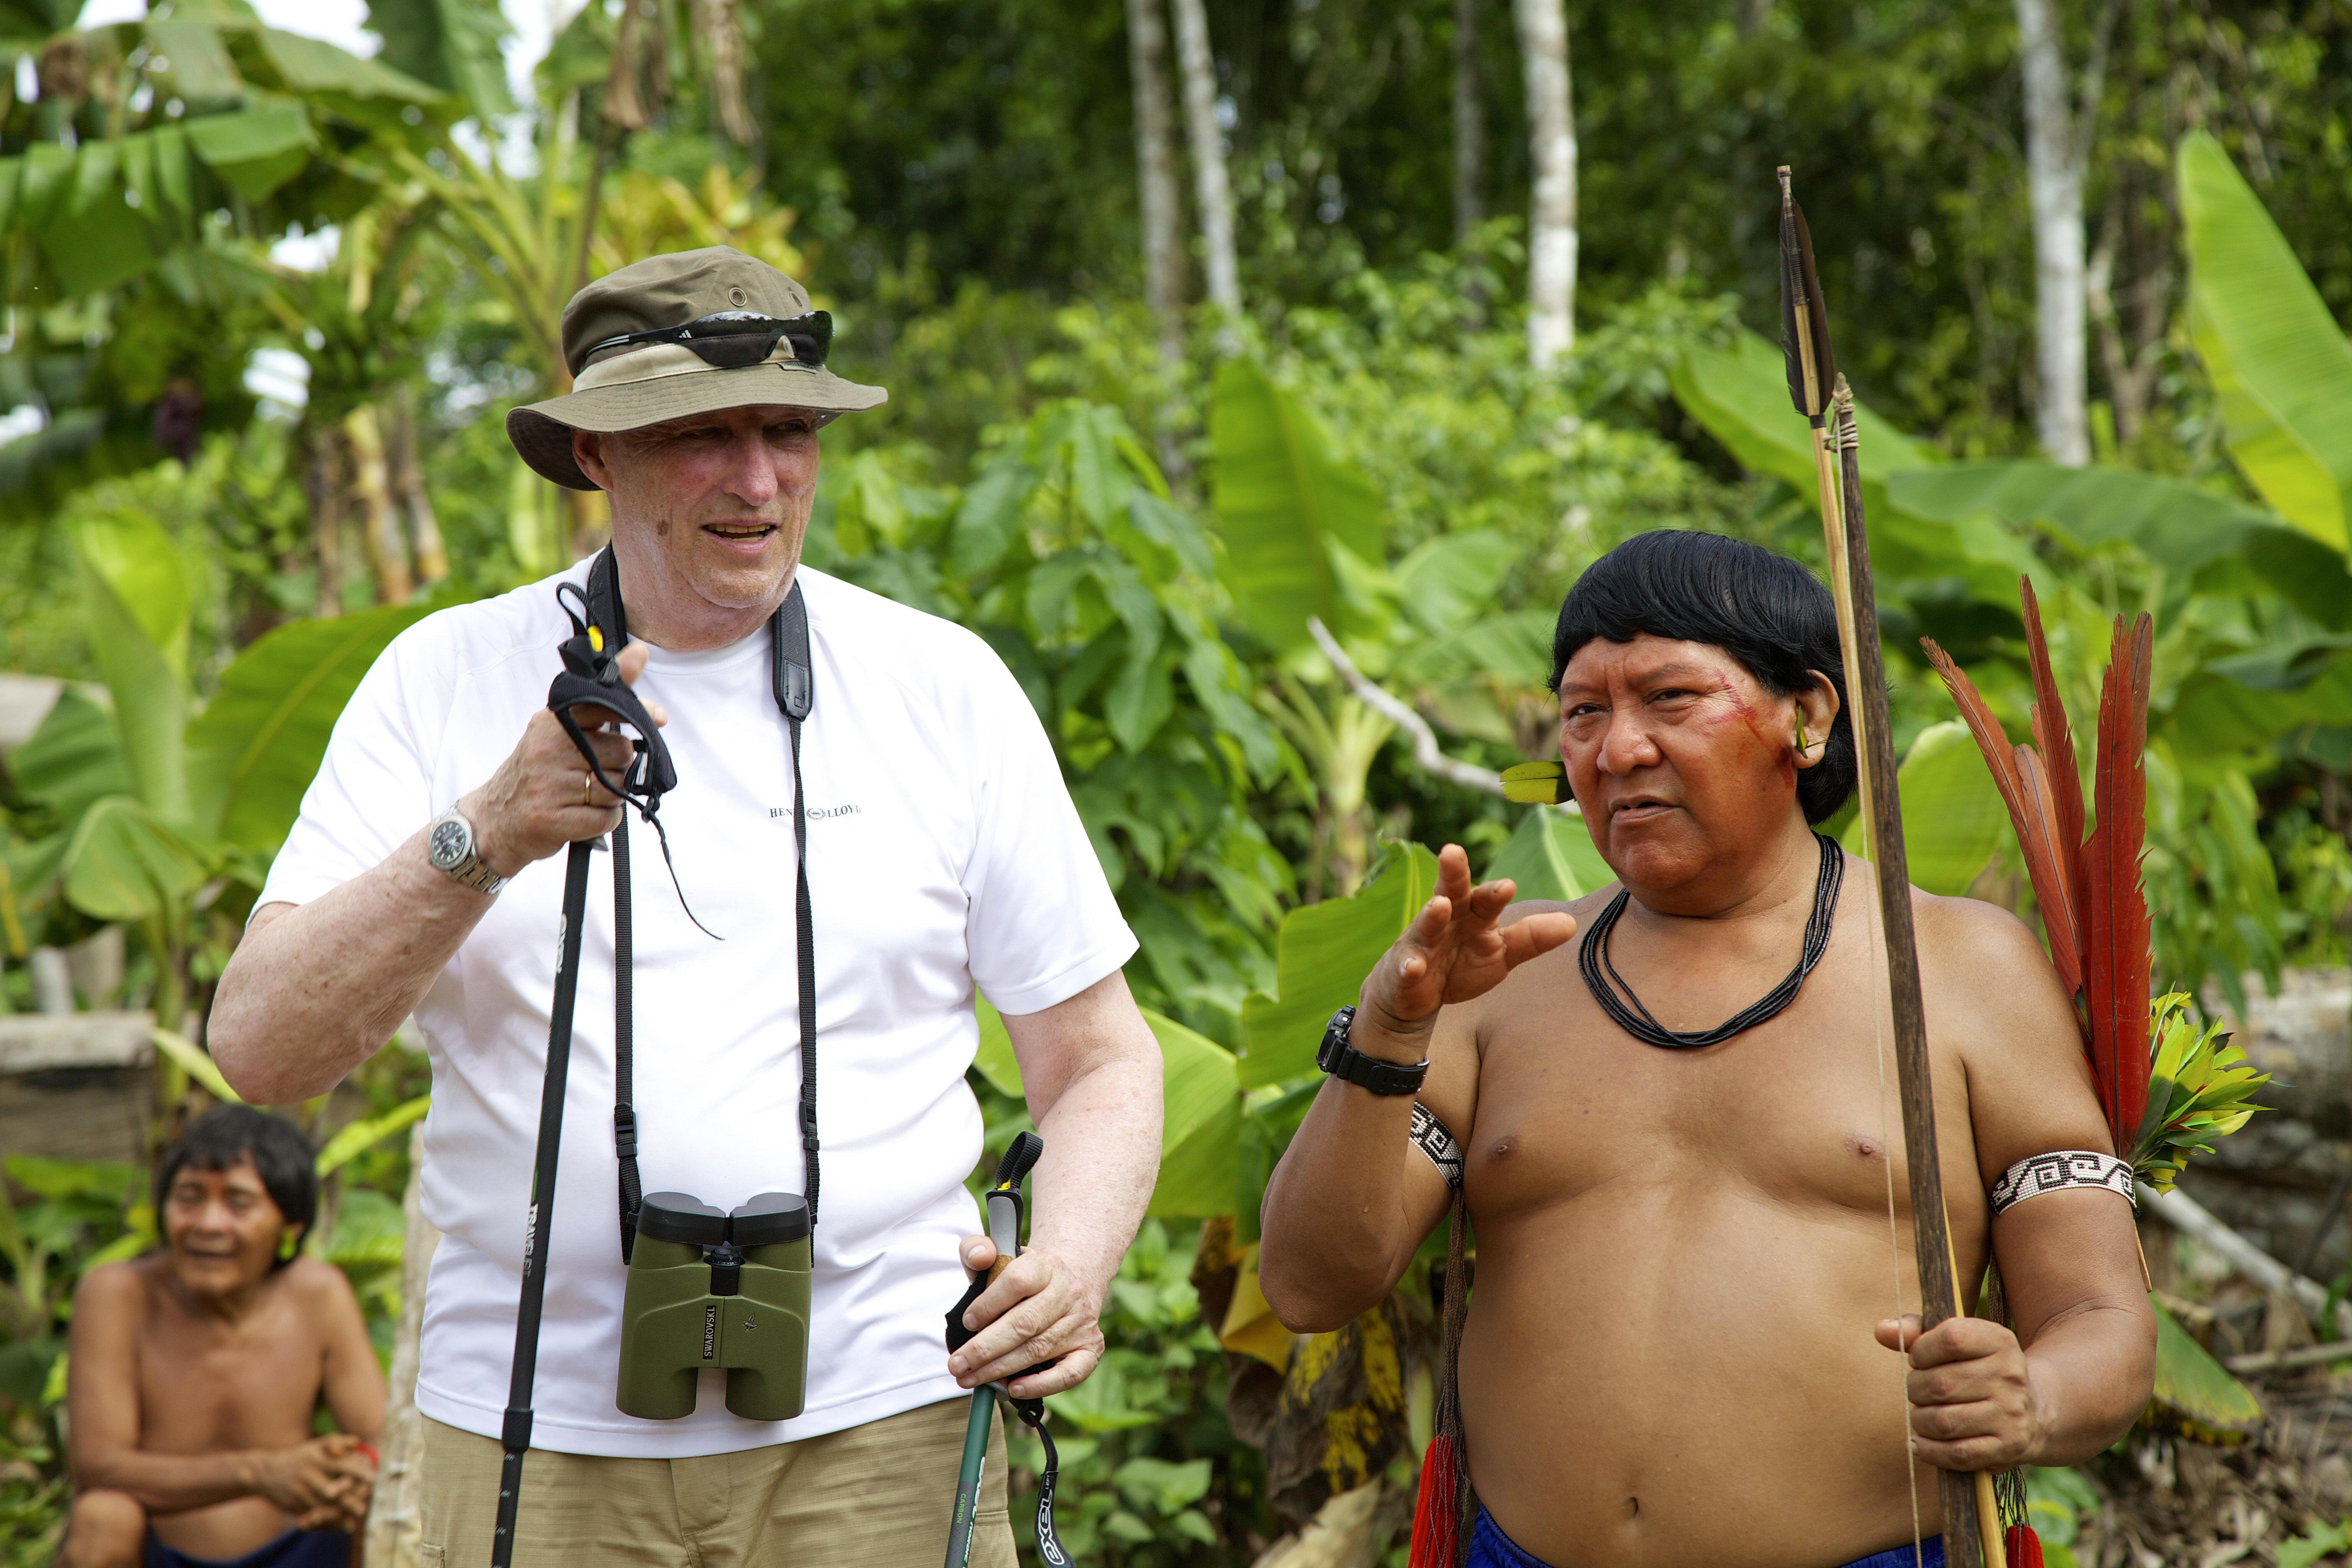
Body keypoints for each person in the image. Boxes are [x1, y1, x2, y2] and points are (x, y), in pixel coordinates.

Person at [206, 246, 1164, 1565]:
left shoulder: (942, 686)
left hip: (887, 1423)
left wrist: (1074, 1261)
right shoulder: (443, 677)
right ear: (599, 456)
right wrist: (485, 835)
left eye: (788, 430)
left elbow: (1100, 1056)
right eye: (704, 435)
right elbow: (262, 1049)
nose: (759, 480)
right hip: (534, 1440)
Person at [1259, 530, 2156, 1568]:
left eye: (1670, 698)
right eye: (1582, 711)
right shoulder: (1499, 974)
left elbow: (2101, 1314)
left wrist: (2032, 1397)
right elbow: (1309, 1284)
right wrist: (1386, 1034)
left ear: (1807, 715)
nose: (1616, 747)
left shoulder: (1957, 969)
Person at [60, 1105, 384, 1568]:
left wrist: (349, 1477)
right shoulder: (118, 1294)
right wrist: (259, 1472)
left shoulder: (318, 1294)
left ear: (289, 1226)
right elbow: (99, 1467)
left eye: (239, 1203)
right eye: (189, 1198)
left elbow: (379, 1434)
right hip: (161, 1553)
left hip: (301, 1549)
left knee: (382, 1506)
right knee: (103, 1516)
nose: (209, 1224)